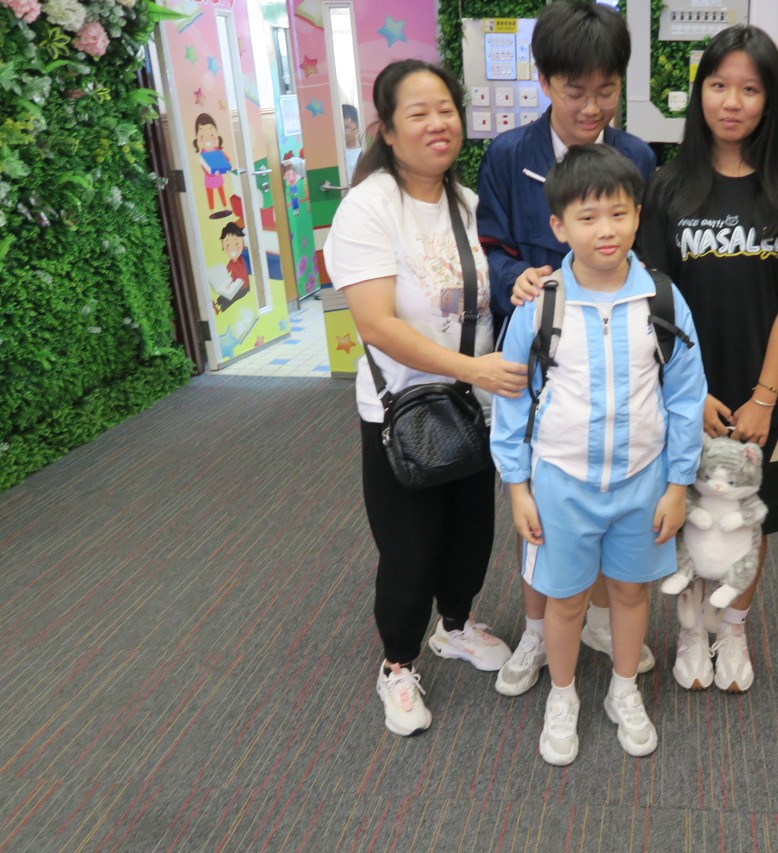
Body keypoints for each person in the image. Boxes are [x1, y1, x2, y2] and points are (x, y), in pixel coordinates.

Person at [324, 60, 526, 737]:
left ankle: (456, 627)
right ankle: (397, 664)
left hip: (472, 406)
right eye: (419, 113)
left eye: (446, 109)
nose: (438, 123)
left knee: (471, 535)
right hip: (403, 411)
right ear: (386, 129)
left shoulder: (467, 202)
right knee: (409, 549)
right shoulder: (369, 207)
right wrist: (472, 368)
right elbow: (377, 324)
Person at [490, 145, 706, 765]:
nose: (605, 230)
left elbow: (686, 397)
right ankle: (562, 697)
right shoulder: (541, 304)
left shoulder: (663, 299)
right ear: (559, 227)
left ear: (638, 216)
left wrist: (677, 485)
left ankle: (623, 689)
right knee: (565, 601)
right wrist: (518, 487)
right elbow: (512, 400)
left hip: (642, 480)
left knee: (631, 595)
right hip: (561, 481)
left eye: (618, 213)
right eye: (587, 217)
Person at [633, 24, 778, 693]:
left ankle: (734, 629)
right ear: (701, 93)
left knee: (751, 517)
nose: (732, 101)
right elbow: (654, 302)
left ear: (769, 100)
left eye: (749, 89)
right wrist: (690, 393)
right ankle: (693, 631)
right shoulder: (667, 188)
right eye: (719, 85)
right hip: (686, 389)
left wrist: (765, 398)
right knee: (688, 514)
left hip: (766, 395)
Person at [476, 0, 659, 699]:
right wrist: (514, 278)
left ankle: (602, 620)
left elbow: (643, 259)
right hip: (540, 357)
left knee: (613, 490)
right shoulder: (508, 156)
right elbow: (491, 247)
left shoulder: (637, 157)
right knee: (542, 509)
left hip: (612, 353)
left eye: (605, 90)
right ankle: (536, 629)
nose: (591, 107)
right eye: (574, 90)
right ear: (544, 81)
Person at [342, 104, 362, 179]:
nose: (343, 132)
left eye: (347, 128)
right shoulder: (335, 155)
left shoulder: (362, 153)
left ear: (357, 129)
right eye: (340, 127)